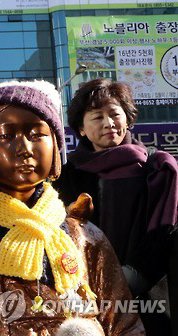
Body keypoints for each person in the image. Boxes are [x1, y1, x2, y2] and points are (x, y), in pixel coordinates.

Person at [0, 80, 144, 335]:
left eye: (37, 135)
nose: (25, 149)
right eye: (5, 136)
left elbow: (125, 325)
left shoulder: (86, 237)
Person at [53, 78, 178, 334]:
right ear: (82, 129)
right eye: (97, 117)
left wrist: (129, 277)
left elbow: (166, 233)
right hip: (84, 298)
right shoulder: (65, 177)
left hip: (150, 299)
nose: (108, 123)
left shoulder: (158, 169)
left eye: (114, 114)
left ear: (128, 119)